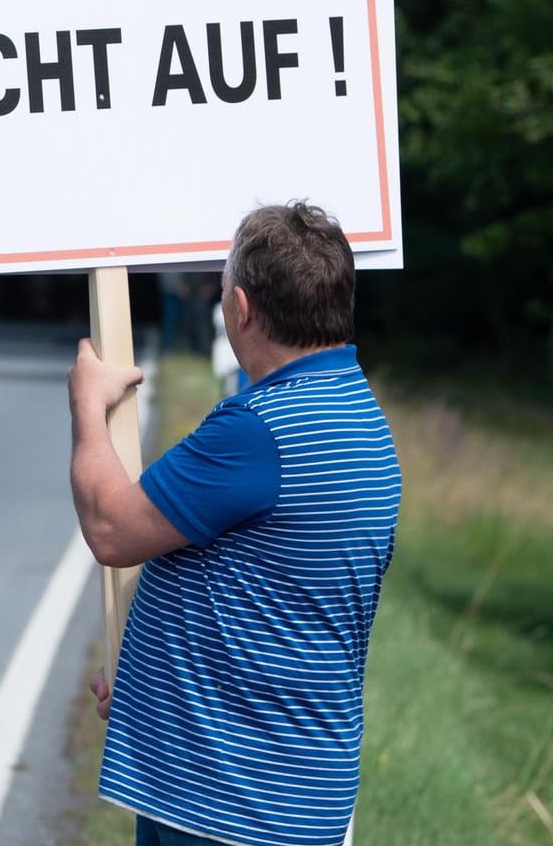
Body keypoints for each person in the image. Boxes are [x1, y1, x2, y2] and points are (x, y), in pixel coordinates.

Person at [68, 202, 399, 846]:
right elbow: (278, 603)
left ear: (241, 309)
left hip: (232, 800)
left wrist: (87, 404)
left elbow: (112, 529)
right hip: (276, 786)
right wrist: (151, 694)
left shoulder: (260, 430)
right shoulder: (359, 412)